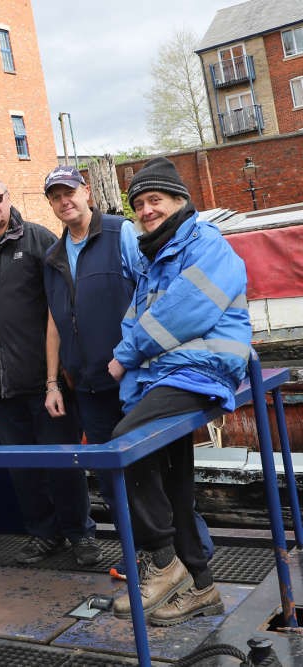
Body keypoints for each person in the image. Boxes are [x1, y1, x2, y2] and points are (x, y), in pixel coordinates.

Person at [40, 166, 215, 578]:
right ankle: (142, 557)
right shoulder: (53, 256)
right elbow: (53, 321)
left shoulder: (121, 234)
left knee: (156, 471)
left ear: (87, 192)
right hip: (86, 385)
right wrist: (52, 380)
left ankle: (193, 556)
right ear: (50, 204)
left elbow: (153, 291)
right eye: (56, 197)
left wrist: (141, 357)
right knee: (112, 476)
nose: (65, 202)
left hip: (132, 379)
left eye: (70, 192)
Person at [108, 157, 251, 626]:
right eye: (139, 204)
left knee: (125, 445)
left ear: (179, 203)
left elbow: (183, 314)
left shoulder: (204, 244)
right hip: (170, 377)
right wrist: (134, 378)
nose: (146, 210)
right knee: (174, 482)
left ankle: (165, 561)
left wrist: (125, 356)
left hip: (201, 373)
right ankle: (203, 587)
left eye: (156, 200)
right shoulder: (156, 258)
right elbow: (137, 319)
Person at [0, 175, 101, 567]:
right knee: (23, 468)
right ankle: (43, 534)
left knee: (62, 463)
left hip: (44, 379)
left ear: (7, 200)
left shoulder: (36, 240)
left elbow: (60, 306)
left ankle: (80, 534)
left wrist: (61, 372)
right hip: (0, 384)